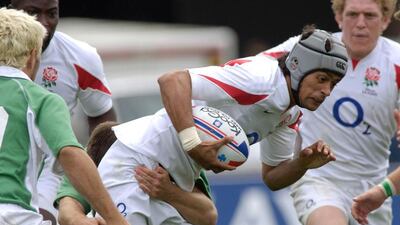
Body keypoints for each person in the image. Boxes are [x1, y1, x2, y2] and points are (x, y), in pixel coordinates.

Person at [86, 26, 347, 224]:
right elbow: (172, 80)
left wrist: (301, 164)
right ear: (298, 67)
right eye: (322, 79)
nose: (326, 91)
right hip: (137, 160)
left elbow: (272, 177)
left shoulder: (289, 115)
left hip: (173, 182)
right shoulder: (260, 80)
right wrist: (193, 144)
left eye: (333, 84)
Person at [259, 0, 400, 224]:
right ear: (338, 18)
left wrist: (385, 189)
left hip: (373, 189)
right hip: (318, 178)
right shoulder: (310, 48)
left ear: (384, 20)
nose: (360, 24)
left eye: (370, 16)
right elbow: (254, 70)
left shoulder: (396, 61)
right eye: (352, 14)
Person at [0, 7, 128, 225]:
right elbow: (70, 155)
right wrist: (115, 218)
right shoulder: (40, 99)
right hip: (12, 215)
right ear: (33, 55)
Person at [55, 121, 217, 225]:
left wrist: (169, 192)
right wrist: (82, 221)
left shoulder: (170, 157)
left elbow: (208, 216)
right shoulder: (85, 160)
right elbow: (67, 211)